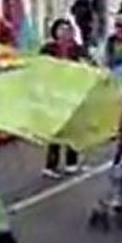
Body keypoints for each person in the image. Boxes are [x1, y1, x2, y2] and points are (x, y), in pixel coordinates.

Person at [41, 18, 89, 178]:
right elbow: (40, 67)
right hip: (55, 93)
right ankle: (51, 164)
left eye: (68, 29)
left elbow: (88, 65)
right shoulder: (48, 49)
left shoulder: (78, 49)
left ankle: (71, 162)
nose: (65, 32)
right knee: (57, 129)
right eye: (61, 29)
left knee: (74, 129)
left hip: (73, 92)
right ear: (55, 32)